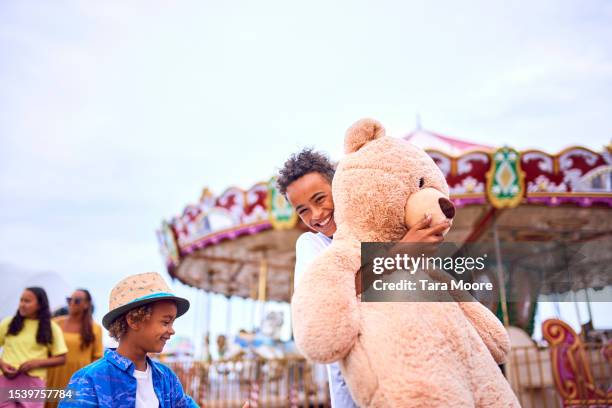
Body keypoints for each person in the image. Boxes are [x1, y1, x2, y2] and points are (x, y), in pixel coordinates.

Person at [277, 148, 449, 407]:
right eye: (303, 210)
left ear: (340, 187)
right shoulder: (313, 245)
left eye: (320, 199)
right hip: (358, 391)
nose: (316, 215)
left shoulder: (380, 234)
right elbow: (323, 301)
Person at [59, 272, 198, 407]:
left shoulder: (167, 378)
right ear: (134, 320)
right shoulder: (88, 379)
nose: (171, 330)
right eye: (165, 322)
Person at [0, 287, 68, 408]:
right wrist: (2, 364)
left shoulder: (51, 328)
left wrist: (36, 363)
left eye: (27, 301)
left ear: (40, 305)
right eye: (21, 300)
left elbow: (62, 358)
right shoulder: (8, 323)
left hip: (33, 383)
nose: (22, 304)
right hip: (5, 380)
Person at [45, 289, 103, 408]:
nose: (71, 303)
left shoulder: (95, 328)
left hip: (78, 379)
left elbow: (97, 359)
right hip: (53, 375)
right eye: (69, 300)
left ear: (87, 304)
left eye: (76, 301)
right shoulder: (55, 323)